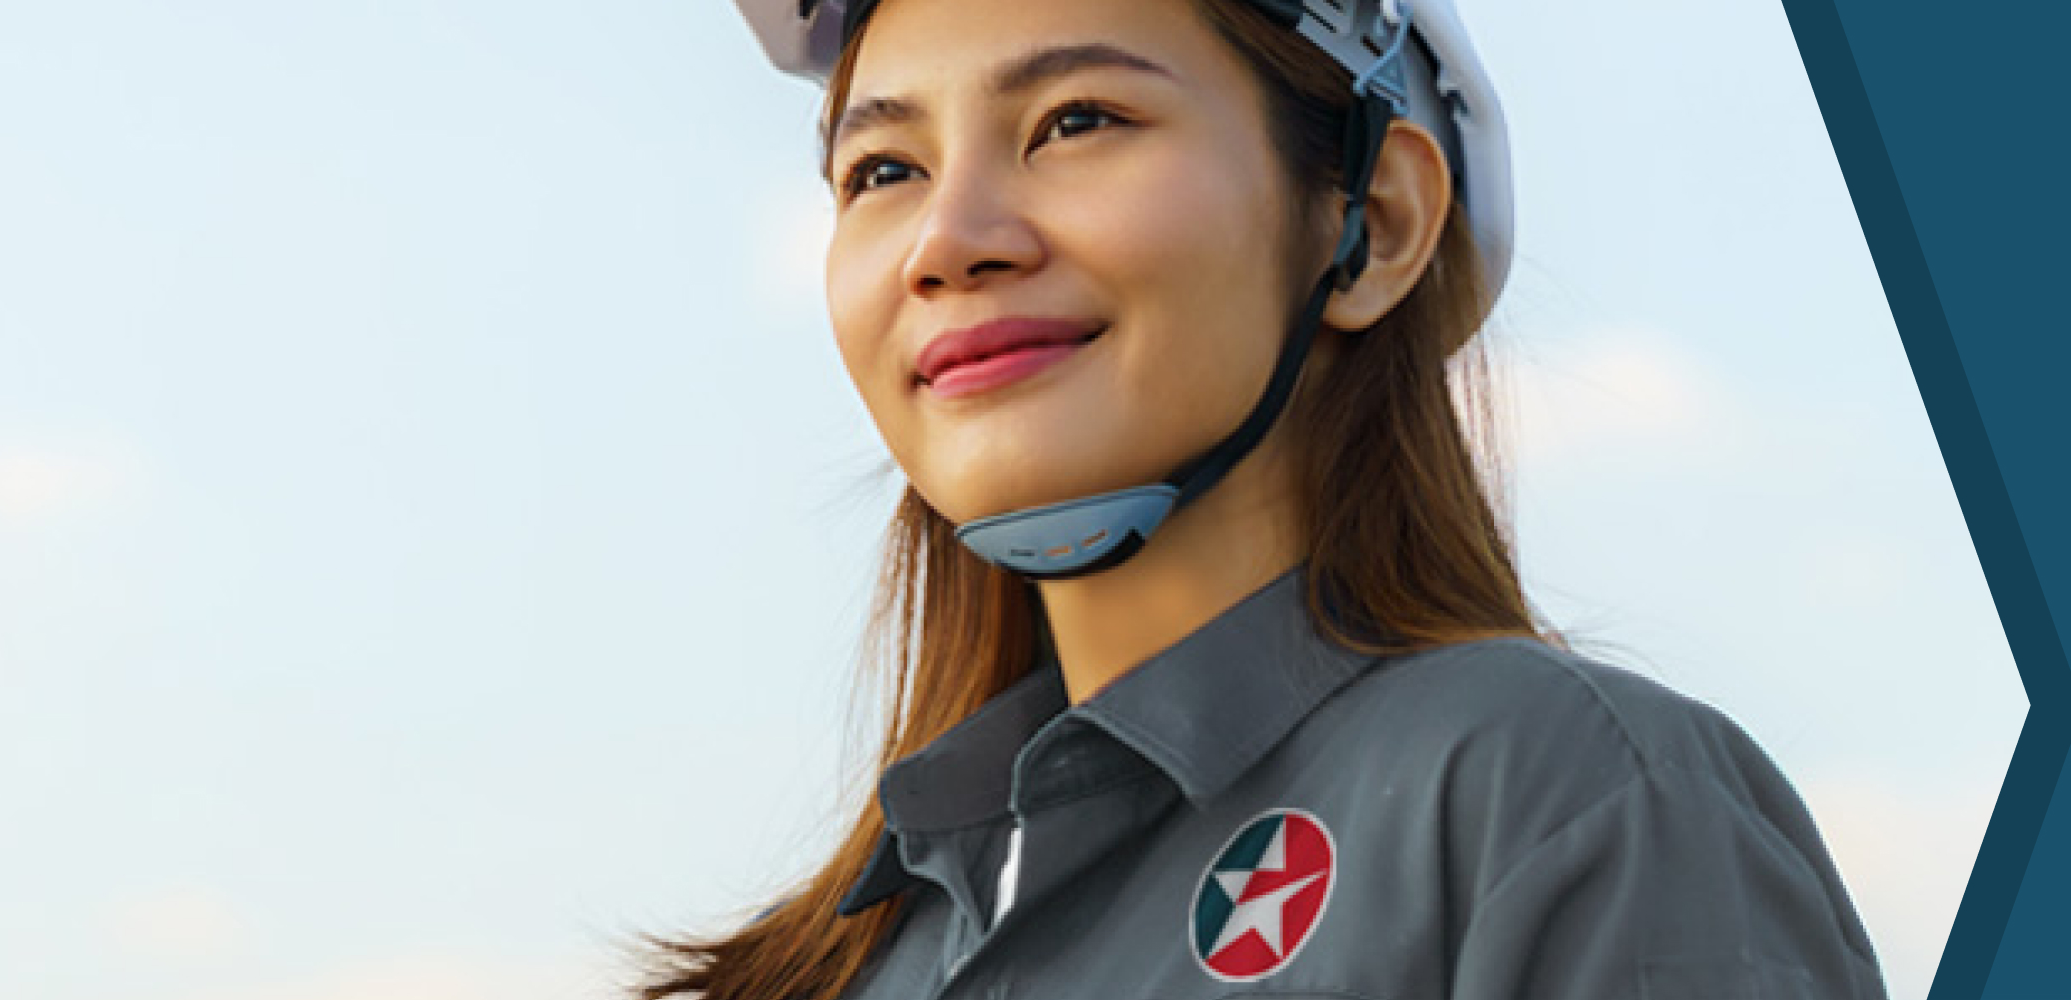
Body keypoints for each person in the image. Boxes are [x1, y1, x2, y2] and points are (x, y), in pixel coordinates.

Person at [632, 0, 1892, 997]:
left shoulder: (1566, 795)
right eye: (882, 170)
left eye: (1077, 121)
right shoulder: (855, 960)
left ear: (1375, 221)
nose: (948, 238)